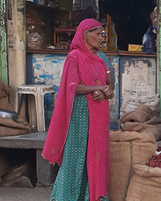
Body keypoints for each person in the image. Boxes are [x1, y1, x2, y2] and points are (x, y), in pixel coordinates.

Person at [42, 19, 115, 201]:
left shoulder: (102, 57)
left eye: (102, 34)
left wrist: (106, 92)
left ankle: (93, 196)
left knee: (97, 155)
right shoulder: (74, 57)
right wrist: (97, 89)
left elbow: (111, 85)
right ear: (85, 35)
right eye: (97, 34)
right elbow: (73, 86)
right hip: (80, 115)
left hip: (99, 114)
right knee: (75, 155)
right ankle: (66, 196)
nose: (101, 38)